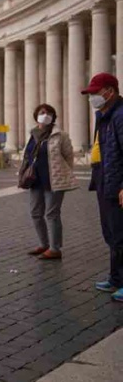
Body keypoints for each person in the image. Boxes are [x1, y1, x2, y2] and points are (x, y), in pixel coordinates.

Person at [83, 73, 123, 302]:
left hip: (117, 184)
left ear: (109, 91)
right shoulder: (105, 115)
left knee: (121, 235)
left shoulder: (120, 115)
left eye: (95, 93)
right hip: (105, 180)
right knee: (111, 233)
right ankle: (116, 278)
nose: (92, 98)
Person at [19, 104, 77, 260]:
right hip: (35, 180)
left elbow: (68, 156)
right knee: (35, 213)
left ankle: (55, 248)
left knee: (52, 214)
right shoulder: (33, 134)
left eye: (48, 113)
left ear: (53, 117)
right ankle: (43, 244)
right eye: (42, 112)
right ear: (36, 115)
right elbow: (27, 155)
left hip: (54, 180)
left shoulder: (61, 135)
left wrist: (63, 172)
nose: (45, 115)